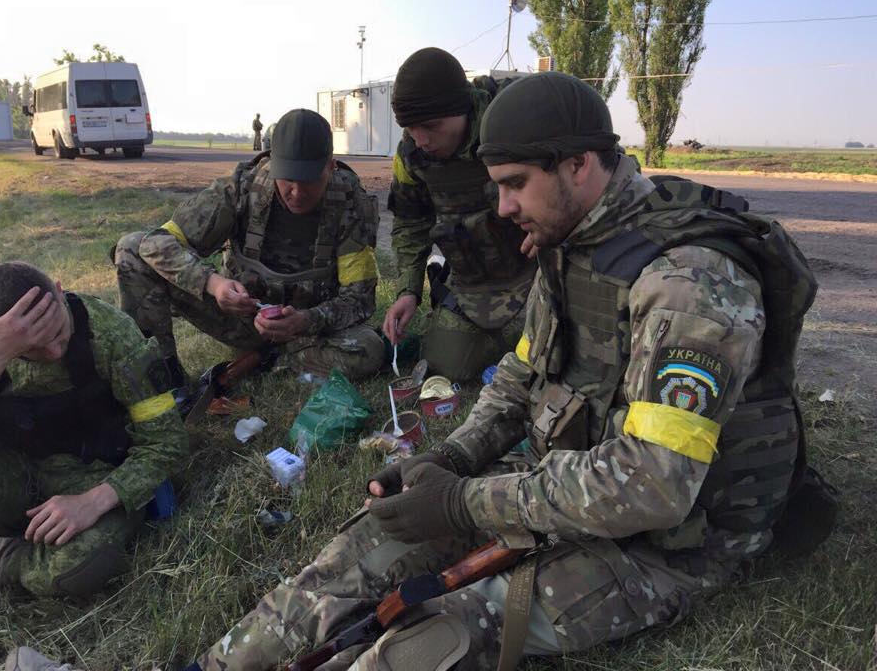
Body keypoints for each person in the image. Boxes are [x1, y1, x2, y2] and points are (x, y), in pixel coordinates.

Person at [189, 72, 821, 671]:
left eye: (516, 183)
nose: (503, 206)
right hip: (567, 477)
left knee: (430, 640)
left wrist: (462, 504)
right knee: (357, 554)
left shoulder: (690, 284)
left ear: (578, 165)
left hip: (669, 541)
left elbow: (653, 485)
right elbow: (521, 376)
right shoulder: (570, 237)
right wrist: (450, 461)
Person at [0, 261, 188, 671]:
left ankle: (2, 563)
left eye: (59, 333)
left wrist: (94, 501)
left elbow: (167, 443)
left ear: (60, 291)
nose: (55, 352)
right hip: (15, 468)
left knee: (86, 564)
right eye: (33, 348)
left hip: (92, 473)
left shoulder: (110, 333)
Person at [114, 108, 384, 393]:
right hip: (237, 319)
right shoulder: (242, 187)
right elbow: (155, 243)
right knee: (131, 250)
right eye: (287, 179)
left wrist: (306, 320)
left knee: (368, 350)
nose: (297, 193)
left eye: (309, 181)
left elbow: (359, 299)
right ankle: (163, 382)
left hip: (305, 332)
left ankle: (272, 359)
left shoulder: (350, 203)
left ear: (330, 166)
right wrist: (213, 284)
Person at [381, 47, 535, 380]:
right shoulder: (411, 155)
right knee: (447, 363)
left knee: (565, 350)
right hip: (477, 277)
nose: (421, 140)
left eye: (430, 126)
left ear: (462, 108)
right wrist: (408, 291)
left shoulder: (515, 116)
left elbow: (584, 173)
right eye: (410, 128)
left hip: (541, 269)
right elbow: (409, 223)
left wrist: (552, 225)